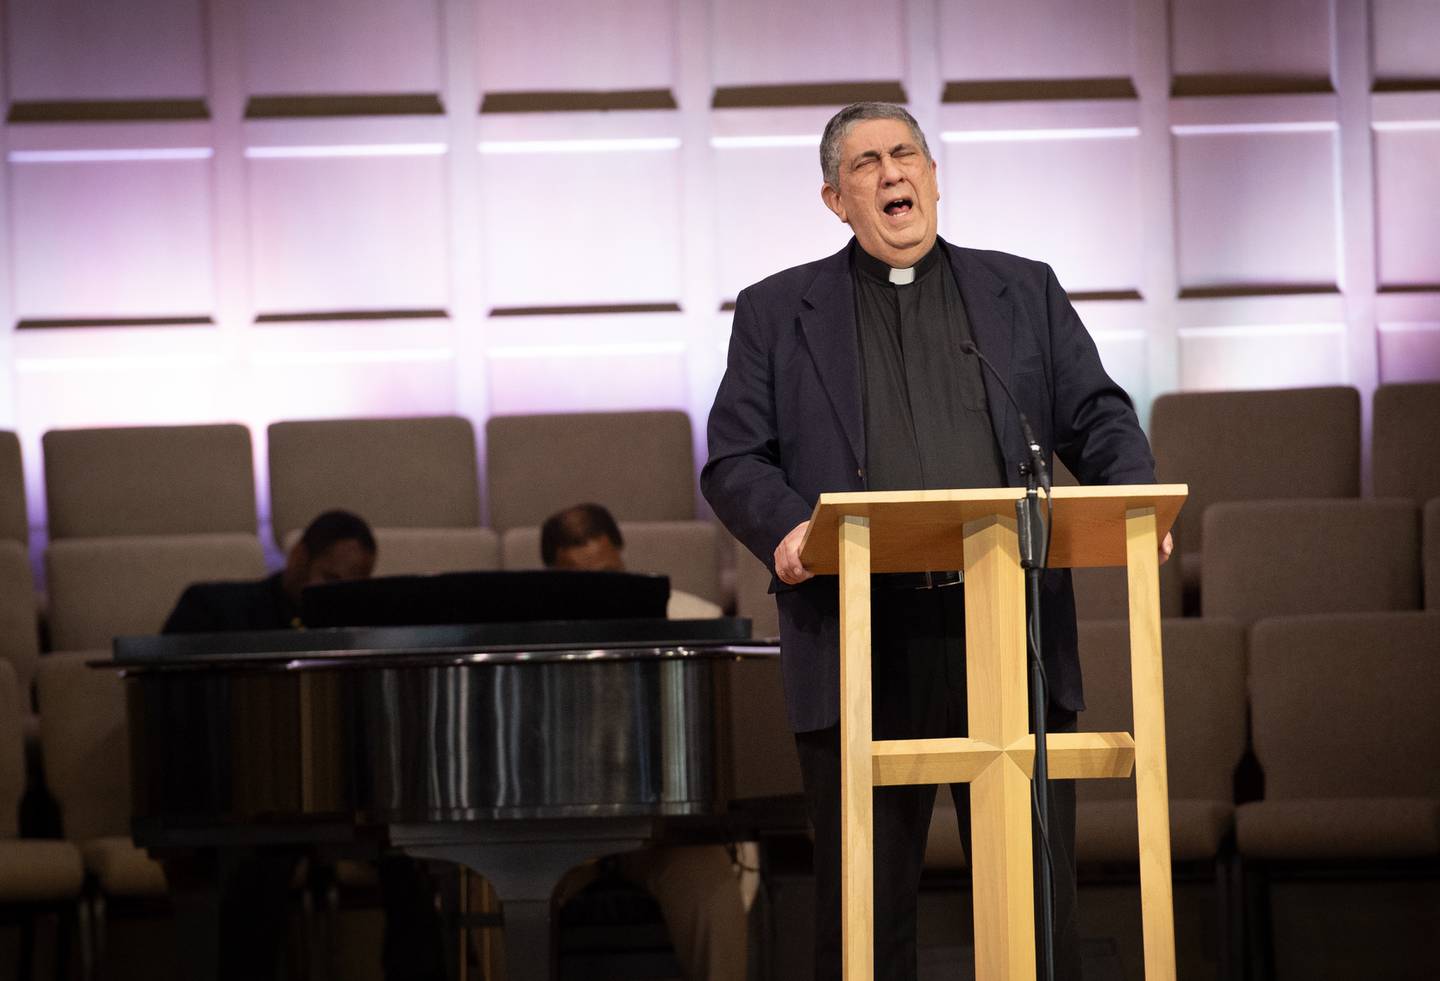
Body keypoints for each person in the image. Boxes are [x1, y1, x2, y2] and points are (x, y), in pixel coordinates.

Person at [701, 101, 1172, 981]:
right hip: (860, 640)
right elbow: (734, 457)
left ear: (934, 174)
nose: (892, 174)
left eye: (905, 154)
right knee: (867, 925)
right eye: (867, 164)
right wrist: (789, 526)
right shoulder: (776, 312)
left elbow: (1098, 415)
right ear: (836, 200)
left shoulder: (1020, 290)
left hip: (1007, 633)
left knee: (1036, 910)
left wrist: (1130, 499)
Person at [163, 510, 445, 981]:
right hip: (252, 800)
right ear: (298, 557)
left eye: (349, 586)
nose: (334, 596)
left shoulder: (362, 628)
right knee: (255, 868)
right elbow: (178, 713)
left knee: (412, 861)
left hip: (346, 798)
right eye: (327, 578)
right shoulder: (218, 610)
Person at [540, 502, 748, 981]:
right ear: (552, 576)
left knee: (712, 888)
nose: (602, 592)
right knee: (494, 889)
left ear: (623, 558)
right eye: (582, 581)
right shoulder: (526, 642)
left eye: (611, 574)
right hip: (557, 834)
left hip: (661, 833)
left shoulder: (694, 622)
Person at [540, 502, 723, 619]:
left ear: (620, 556)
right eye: (579, 582)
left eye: (607, 575)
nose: (596, 592)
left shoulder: (697, 618)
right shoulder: (534, 637)